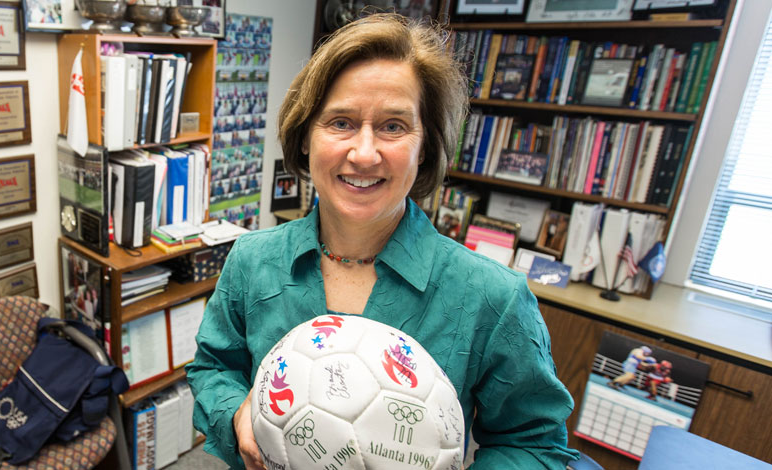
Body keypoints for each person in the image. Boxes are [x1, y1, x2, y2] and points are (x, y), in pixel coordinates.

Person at [185, 14, 579, 469]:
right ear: (307, 136)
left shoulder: (493, 298)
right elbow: (213, 368)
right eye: (340, 122)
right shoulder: (253, 261)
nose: (365, 153)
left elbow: (533, 443)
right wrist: (235, 413)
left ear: (425, 146)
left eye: (393, 126)